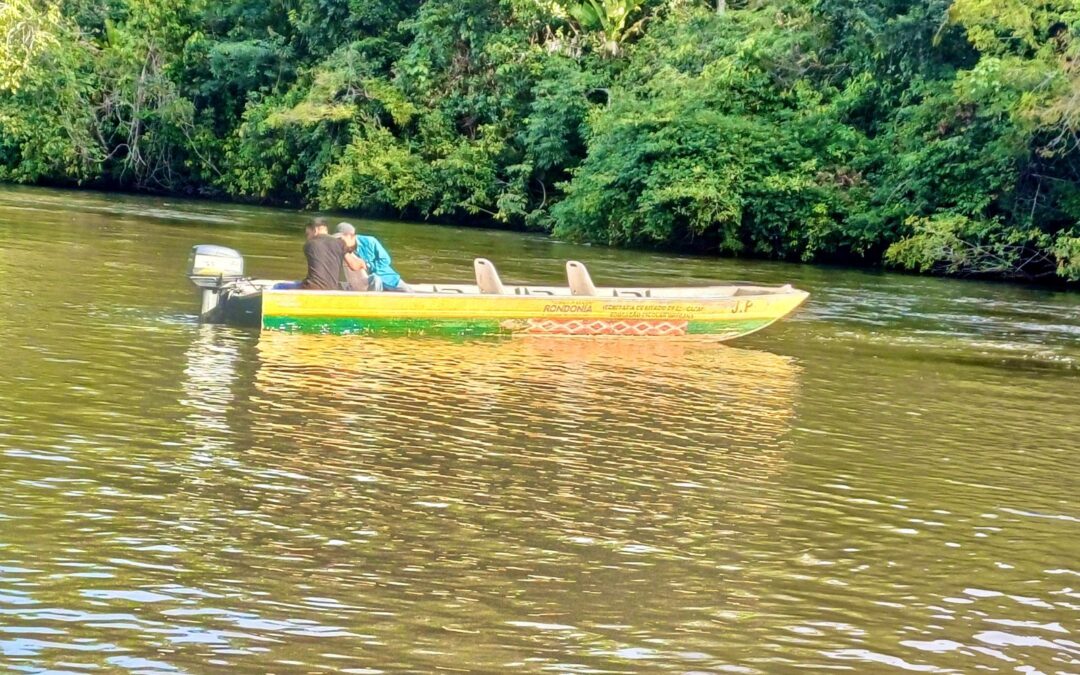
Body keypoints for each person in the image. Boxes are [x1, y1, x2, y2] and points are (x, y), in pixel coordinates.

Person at [335, 222, 412, 292]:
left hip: (387, 278)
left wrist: (368, 265)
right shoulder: (340, 249)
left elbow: (385, 260)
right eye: (337, 239)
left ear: (352, 236)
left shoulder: (370, 241)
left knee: (410, 294)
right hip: (363, 283)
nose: (339, 242)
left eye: (341, 239)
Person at [273, 218, 347, 290]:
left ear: (315, 230)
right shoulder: (341, 244)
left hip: (312, 287)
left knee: (278, 286)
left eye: (308, 234)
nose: (307, 238)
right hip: (332, 288)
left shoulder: (309, 244)